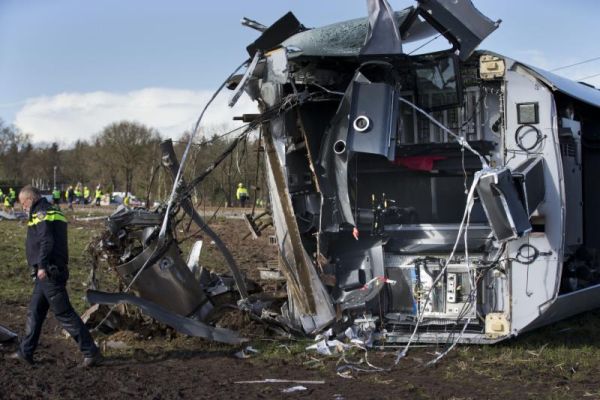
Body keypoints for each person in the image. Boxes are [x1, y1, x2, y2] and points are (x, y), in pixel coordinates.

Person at [9, 186, 102, 367]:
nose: (22, 207)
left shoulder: (41, 213)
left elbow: (47, 240)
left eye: (23, 203)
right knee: (34, 312)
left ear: (29, 200)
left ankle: (91, 352)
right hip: (46, 273)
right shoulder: (52, 210)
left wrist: (42, 265)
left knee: (64, 314)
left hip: (49, 272)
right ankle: (25, 352)